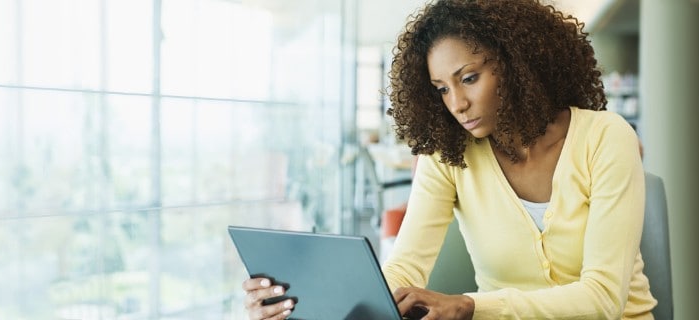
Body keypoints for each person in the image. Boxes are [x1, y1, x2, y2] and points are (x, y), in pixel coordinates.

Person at [243, 0, 656, 319]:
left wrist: (472, 306)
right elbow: (405, 270)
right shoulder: (449, 155)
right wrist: (310, 303)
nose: (456, 104)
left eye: (469, 78)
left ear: (517, 64)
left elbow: (603, 298)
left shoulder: (606, 137)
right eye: (441, 89)